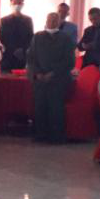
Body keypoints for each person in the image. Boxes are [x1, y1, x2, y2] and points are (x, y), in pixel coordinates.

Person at [27, 12, 76, 144]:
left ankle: (56, 136)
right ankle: (40, 135)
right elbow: (31, 58)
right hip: (40, 79)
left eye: (55, 19)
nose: (53, 21)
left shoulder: (65, 38)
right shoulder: (37, 37)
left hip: (58, 80)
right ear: (46, 20)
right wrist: (37, 73)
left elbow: (69, 61)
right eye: (50, 19)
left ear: (60, 22)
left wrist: (53, 73)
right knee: (39, 107)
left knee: (56, 108)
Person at [0, 0, 34, 72]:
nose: (17, 5)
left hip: (22, 57)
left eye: (19, 3)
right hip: (8, 57)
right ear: (10, 5)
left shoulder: (28, 20)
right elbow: (2, 38)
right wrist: (14, 50)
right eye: (14, 3)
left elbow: (30, 37)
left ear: (23, 5)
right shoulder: (4, 20)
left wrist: (22, 49)